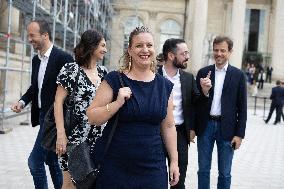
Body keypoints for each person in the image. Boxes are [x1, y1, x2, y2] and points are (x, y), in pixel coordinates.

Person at [86, 26, 180, 188]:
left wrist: (174, 161)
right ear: (129, 50)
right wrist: (117, 103)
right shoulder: (114, 79)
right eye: (139, 45)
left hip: (153, 166)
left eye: (149, 45)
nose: (145, 50)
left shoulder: (164, 86)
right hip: (115, 165)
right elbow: (92, 117)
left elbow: (169, 126)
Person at [10, 20, 73, 189]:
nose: (29, 39)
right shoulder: (36, 60)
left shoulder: (64, 58)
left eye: (32, 35)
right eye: (28, 35)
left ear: (45, 35)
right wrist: (22, 101)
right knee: (52, 161)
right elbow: (35, 87)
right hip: (43, 118)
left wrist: (64, 128)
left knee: (34, 162)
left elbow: (71, 93)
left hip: (54, 122)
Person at [191, 36, 247, 189]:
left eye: (223, 50)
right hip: (205, 126)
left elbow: (242, 108)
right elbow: (195, 104)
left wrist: (239, 134)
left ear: (230, 52)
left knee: (225, 172)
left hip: (227, 128)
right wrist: (204, 91)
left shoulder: (238, 75)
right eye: (216, 50)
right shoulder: (204, 72)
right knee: (203, 170)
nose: (219, 54)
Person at [54, 29, 108, 188]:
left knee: (90, 184)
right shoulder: (71, 69)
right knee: (70, 184)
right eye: (102, 45)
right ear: (92, 46)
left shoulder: (103, 72)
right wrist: (61, 135)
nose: (105, 49)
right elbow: (57, 102)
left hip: (98, 139)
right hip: (74, 139)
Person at [158, 38, 211, 189]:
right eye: (184, 53)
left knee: (178, 180)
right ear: (171, 56)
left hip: (180, 133)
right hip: (155, 133)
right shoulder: (153, 75)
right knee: (156, 177)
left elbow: (197, 105)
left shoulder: (188, 78)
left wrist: (205, 92)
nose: (187, 56)